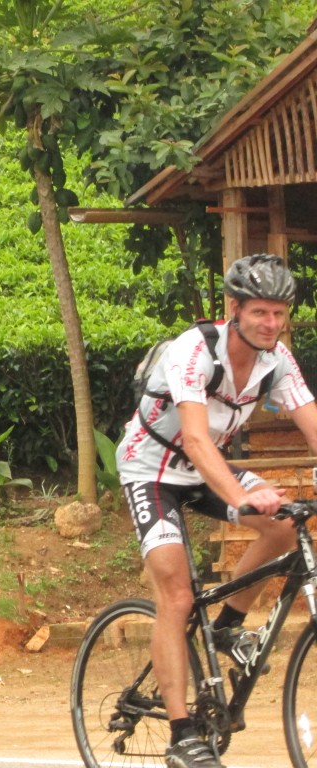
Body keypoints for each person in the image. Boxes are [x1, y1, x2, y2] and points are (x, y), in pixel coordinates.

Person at [116, 253, 317, 768]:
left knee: (284, 528)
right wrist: (239, 496)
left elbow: (312, 421)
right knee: (177, 590)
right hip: (153, 469)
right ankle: (183, 735)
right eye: (260, 313)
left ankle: (227, 625)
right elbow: (199, 439)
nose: (271, 323)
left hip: (206, 468)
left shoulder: (278, 360)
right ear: (234, 309)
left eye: (279, 313)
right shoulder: (195, 350)